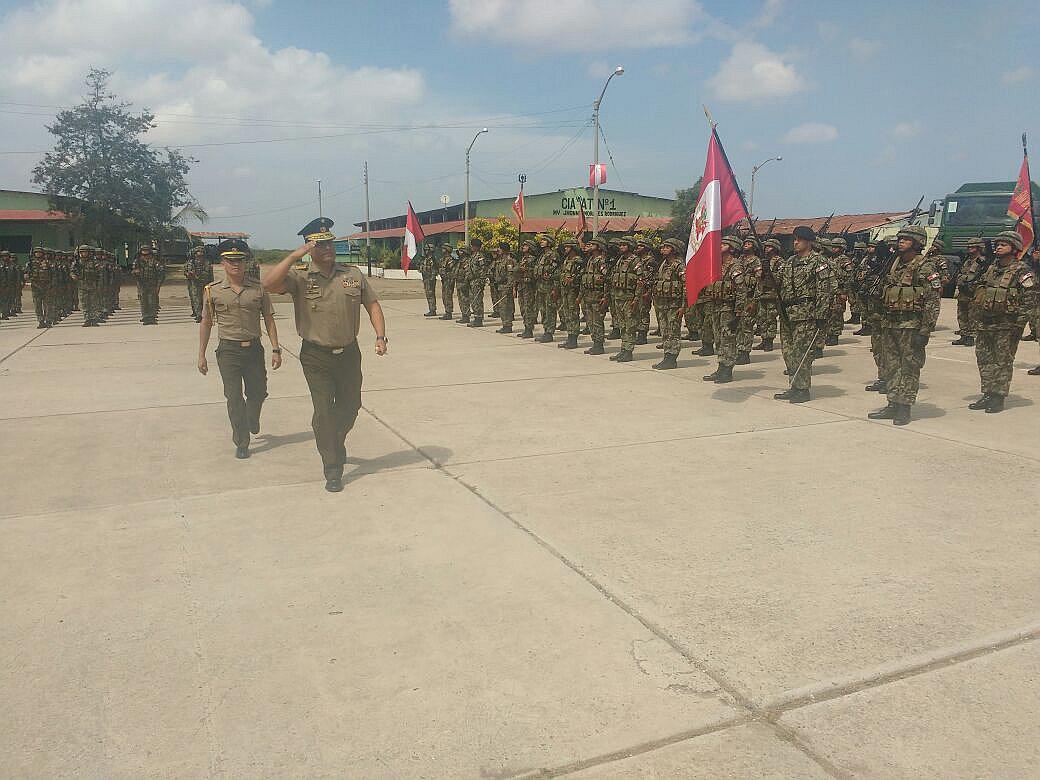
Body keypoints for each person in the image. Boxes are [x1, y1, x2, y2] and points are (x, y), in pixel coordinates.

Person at [262, 217, 388, 492]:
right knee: (324, 412)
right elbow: (268, 285)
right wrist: (295, 255)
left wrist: (380, 336)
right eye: (320, 246)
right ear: (309, 248)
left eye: (329, 243)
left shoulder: (352, 275)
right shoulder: (299, 277)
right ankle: (333, 468)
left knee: (350, 407)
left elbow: (373, 304)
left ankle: (333, 441)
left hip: (349, 354)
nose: (327, 249)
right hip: (316, 356)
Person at [198, 239, 281, 458]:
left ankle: (252, 417)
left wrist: (276, 348)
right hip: (228, 351)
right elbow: (206, 322)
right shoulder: (212, 291)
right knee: (233, 397)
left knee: (258, 392)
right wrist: (201, 355)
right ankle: (241, 440)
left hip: (253, 350)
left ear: (246, 263)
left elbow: (269, 319)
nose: (235, 264)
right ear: (223, 262)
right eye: (230, 260)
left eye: (239, 260)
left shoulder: (258, 289)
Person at [868, 226, 940, 425]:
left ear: (917, 243)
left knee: (908, 367)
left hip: (912, 326)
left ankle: (904, 407)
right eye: (900, 239)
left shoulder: (925, 267)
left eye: (906, 239)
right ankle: (893, 402)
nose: (900, 242)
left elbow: (933, 301)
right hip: (890, 324)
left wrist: (925, 330)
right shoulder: (894, 265)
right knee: (891, 366)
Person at [968, 231, 1037, 411]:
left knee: (1002, 361)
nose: (998, 247)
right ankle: (988, 393)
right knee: (984, 359)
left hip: (1007, 325)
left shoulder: (1022, 271)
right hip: (986, 323)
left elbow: (1029, 301)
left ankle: (998, 396)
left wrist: (1018, 326)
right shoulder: (992, 268)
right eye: (997, 244)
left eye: (1003, 244)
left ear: (1014, 248)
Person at [773, 226, 835, 403]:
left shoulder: (819, 262)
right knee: (788, 352)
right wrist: (766, 273)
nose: (795, 243)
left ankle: (802, 389)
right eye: (794, 239)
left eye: (799, 240)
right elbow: (778, 282)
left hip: (806, 314)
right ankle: (794, 385)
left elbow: (825, 290)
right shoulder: (790, 261)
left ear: (808, 241)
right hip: (787, 314)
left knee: (801, 353)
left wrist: (821, 316)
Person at [704, 235, 748, 383]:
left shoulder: (736, 266)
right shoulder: (717, 265)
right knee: (719, 339)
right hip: (716, 306)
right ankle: (721, 367)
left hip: (729, 309)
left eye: (723, 244)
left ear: (731, 247)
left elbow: (741, 290)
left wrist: (738, 312)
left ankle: (727, 370)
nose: (719, 245)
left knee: (728, 339)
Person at [650, 239, 687, 367]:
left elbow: (685, 286)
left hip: (674, 305)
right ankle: (667, 355)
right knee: (665, 330)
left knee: (673, 331)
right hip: (663, 303)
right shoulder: (663, 264)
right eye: (663, 247)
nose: (663, 249)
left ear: (674, 249)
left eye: (667, 247)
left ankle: (672, 358)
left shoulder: (679, 265)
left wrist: (683, 306)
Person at [952, 237, 987, 346]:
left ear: (979, 248)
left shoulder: (983, 262)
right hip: (963, 292)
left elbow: (984, 277)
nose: (969, 249)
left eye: (972, 247)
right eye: (968, 247)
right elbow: (959, 273)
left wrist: (973, 283)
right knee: (962, 314)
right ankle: (964, 334)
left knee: (973, 315)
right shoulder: (966, 261)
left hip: (975, 292)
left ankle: (971, 336)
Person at [557, 238, 583, 349]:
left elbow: (581, 276)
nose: (565, 249)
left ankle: (573, 339)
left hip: (573, 292)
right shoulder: (566, 260)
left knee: (573, 314)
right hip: (565, 291)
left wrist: (573, 280)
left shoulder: (578, 261)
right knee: (567, 314)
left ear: (573, 248)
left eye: (568, 247)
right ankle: (569, 336)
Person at [533, 234, 559, 342]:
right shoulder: (542, 255)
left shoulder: (553, 255)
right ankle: (545, 330)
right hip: (541, 287)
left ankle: (549, 332)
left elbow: (556, 272)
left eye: (544, 240)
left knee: (550, 310)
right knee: (543, 309)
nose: (541, 242)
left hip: (549, 286)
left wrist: (555, 289)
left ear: (549, 243)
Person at [132, 244, 165, 325]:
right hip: (142, 284)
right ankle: (145, 316)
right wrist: (135, 272)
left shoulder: (155, 262)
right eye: (143, 254)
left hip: (152, 284)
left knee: (152, 300)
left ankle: (152, 317)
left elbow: (161, 272)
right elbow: (133, 272)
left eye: (147, 254)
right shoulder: (137, 262)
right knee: (143, 300)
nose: (145, 256)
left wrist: (158, 284)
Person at [491, 241, 516, 333]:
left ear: (504, 250)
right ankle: (505, 324)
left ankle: (507, 325)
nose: (498, 250)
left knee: (506, 307)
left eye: (500, 248)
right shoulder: (500, 260)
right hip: (500, 286)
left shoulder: (509, 261)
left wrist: (509, 287)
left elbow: (510, 275)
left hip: (505, 286)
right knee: (502, 307)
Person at [515, 239, 538, 338]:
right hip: (521, 285)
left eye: (525, 245)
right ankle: (526, 327)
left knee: (528, 307)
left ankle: (529, 329)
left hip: (529, 286)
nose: (523, 247)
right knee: (523, 307)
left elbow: (535, 272)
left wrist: (526, 270)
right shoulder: (523, 258)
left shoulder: (532, 259)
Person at [467, 238, 490, 328]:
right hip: (472, 281)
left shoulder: (480, 257)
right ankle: (476, 317)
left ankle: (478, 319)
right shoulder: (473, 256)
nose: (471, 247)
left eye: (472, 245)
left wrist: (481, 281)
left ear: (476, 247)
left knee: (477, 300)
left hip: (477, 281)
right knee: (473, 300)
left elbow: (483, 269)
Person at [419, 243, 439, 317]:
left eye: (427, 250)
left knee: (430, 294)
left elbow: (434, 270)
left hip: (430, 279)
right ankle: (431, 309)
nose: (426, 251)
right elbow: (421, 268)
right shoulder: (425, 259)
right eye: (425, 250)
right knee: (428, 294)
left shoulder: (433, 259)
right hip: (426, 278)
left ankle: (432, 310)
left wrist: (431, 278)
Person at [438, 244, 456, 320]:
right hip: (444, 280)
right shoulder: (442, 259)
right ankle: (447, 311)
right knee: (444, 296)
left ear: (447, 250)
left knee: (448, 296)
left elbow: (452, 270)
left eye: (443, 249)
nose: (442, 250)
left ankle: (449, 313)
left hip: (449, 280)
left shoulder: (450, 259)